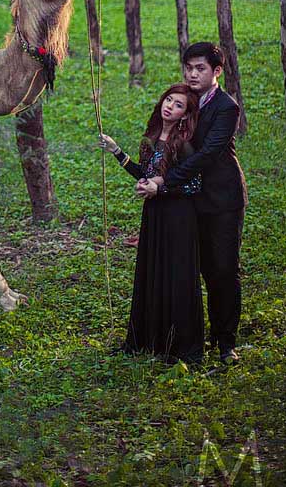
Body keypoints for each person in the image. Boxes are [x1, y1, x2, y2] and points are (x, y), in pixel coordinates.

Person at [137, 43, 248, 366]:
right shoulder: (186, 100)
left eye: (200, 68)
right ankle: (186, 339)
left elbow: (207, 155)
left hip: (222, 200)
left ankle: (225, 343)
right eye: (188, 68)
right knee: (189, 270)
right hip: (188, 200)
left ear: (216, 72)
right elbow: (166, 141)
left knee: (222, 270)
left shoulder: (226, 107)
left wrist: (162, 182)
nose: (192, 74)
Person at [100, 83, 203, 364]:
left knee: (176, 276)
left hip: (178, 216)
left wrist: (161, 190)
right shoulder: (153, 137)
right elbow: (144, 176)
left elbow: (194, 184)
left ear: (185, 114)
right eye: (168, 100)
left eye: (178, 104)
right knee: (152, 272)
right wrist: (117, 151)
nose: (170, 105)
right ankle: (150, 340)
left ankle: (180, 347)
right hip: (155, 215)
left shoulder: (183, 143)